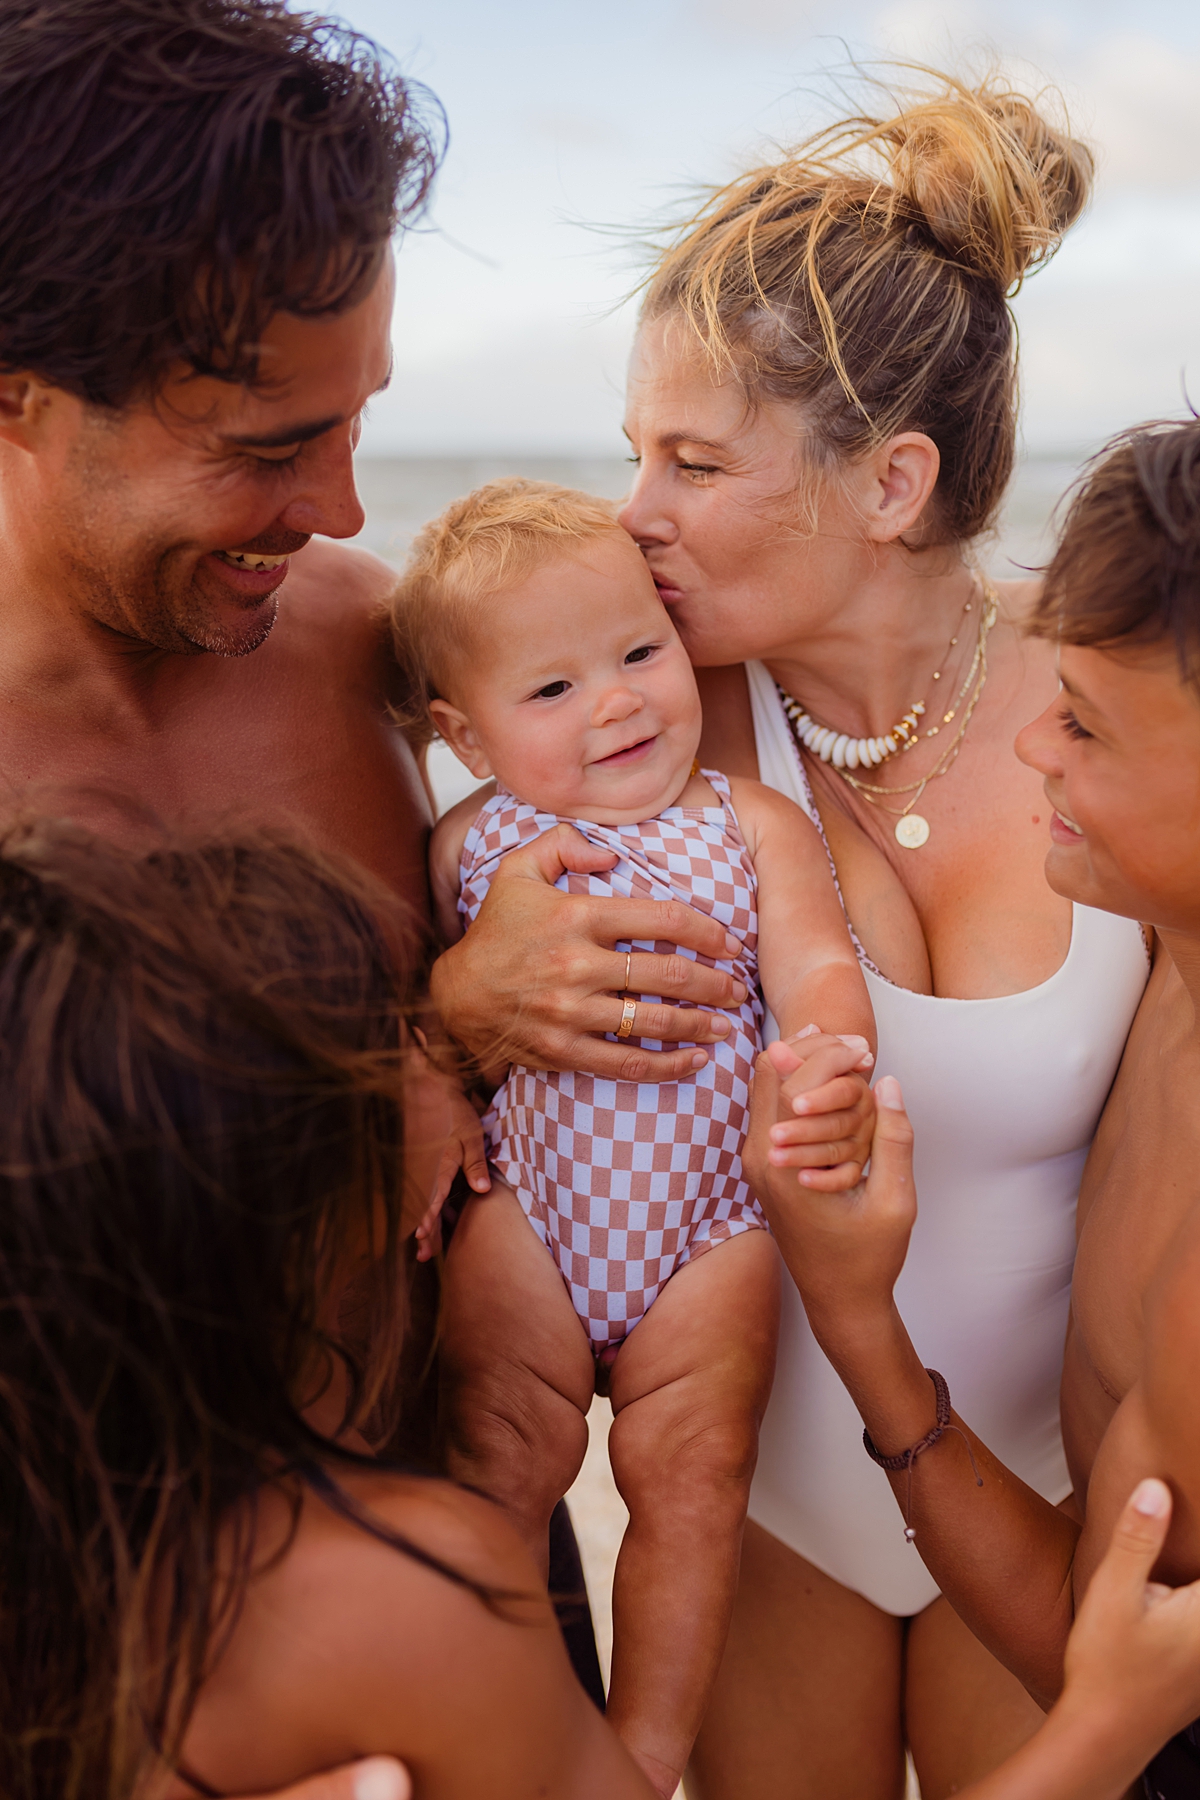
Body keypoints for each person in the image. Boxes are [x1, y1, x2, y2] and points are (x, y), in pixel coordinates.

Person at [427, 70, 1148, 1796]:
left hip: (1047, 1506)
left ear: (891, 483)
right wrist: (458, 1006)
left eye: (690, 460)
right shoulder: (636, 743)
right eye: (631, 457)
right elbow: (425, 947)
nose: (635, 515)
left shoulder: (1115, 719)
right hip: (758, 1509)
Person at [0, 817, 652, 1800]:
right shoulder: (404, 1594)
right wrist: (863, 1330)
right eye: (388, 1042)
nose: (434, 1064)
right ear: (298, 1220)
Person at [393, 477, 876, 1797]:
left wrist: (829, 1053)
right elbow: (418, 996)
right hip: (534, 1214)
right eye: (549, 692)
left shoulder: (748, 824)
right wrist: (430, 1064)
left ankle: (647, 1747)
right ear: (464, 735)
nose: (614, 701)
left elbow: (819, 966)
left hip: (712, 1221)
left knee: (694, 1471)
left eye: (638, 653)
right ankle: (505, 1726)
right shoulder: (466, 846)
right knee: (502, 1456)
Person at [743, 416, 1200, 1799]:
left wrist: (856, 1316)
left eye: (1089, 725)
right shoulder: (1172, 956)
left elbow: (1098, 1671)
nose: (1035, 747)